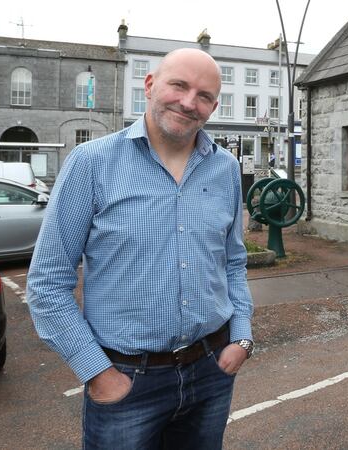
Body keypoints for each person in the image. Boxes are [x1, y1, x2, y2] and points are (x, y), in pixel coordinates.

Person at [27, 48, 254, 449]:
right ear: (150, 85)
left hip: (211, 371)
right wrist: (97, 372)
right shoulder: (91, 162)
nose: (189, 102)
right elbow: (47, 283)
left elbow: (233, 262)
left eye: (204, 96)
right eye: (179, 85)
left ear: (214, 106)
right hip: (127, 382)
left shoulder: (224, 169)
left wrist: (242, 338)